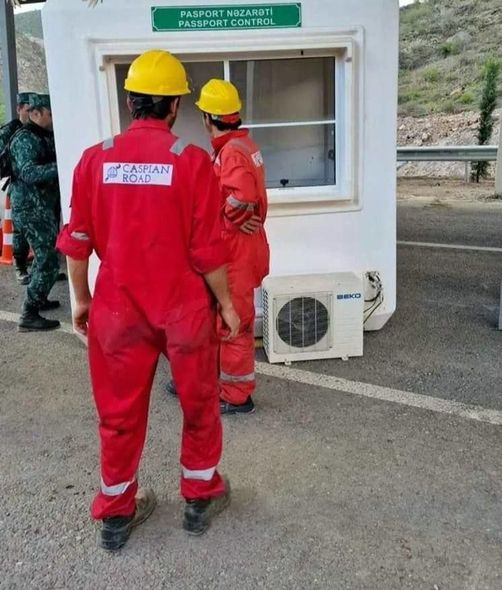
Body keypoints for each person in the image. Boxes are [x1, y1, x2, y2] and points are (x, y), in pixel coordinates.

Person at [57, 50, 239, 551]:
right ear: (175, 106)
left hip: (117, 310)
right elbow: (207, 251)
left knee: (118, 414)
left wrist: (81, 300)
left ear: (130, 101)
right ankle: (199, 498)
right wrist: (226, 304)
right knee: (199, 402)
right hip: (184, 308)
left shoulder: (94, 159)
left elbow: (77, 242)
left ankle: (117, 514)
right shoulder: (192, 161)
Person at [167, 79, 270, 415]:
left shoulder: (232, 152)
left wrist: (223, 216)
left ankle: (237, 396)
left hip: (235, 253)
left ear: (208, 118)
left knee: (233, 324)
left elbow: (242, 197)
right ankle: (210, 381)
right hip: (239, 250)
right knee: (219, 319)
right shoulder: (240, 145)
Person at [9, 94, 61, 332]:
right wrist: (62, 165)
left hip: (42, 207)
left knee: (46, 257)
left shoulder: (44, 135)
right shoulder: (25, 139)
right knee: (48, 260)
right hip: (31, 209)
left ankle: (39, 298)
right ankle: (29, 314)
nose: (53, 118)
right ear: (35, 113)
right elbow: (29, 173)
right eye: (50, 114)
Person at [0, 91, 35, 284]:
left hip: (42, 189)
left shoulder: (39, 129)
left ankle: (42, 270)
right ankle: (20, 267)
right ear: (19, 109)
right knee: (20, 230)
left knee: (45, 231)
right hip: (21, 188)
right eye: (28, 110)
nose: (31, 114)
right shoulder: (10, 131)